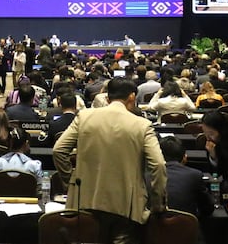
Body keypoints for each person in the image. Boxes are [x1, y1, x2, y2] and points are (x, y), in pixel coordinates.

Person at [53, 77, 167, 244]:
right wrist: (158, 205)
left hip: (84, 201)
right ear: (132, 97)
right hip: (125, 207)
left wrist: (71, 182)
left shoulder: (84, 117)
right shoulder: (142, 125)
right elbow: (158, 165)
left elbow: (59, 150)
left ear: (107, 98)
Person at [158, 136, 214, 218]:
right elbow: (207, 209)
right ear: (185, 157)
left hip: (153, 229)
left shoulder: (147, 175)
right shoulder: (195, 175)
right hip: (186, 229)